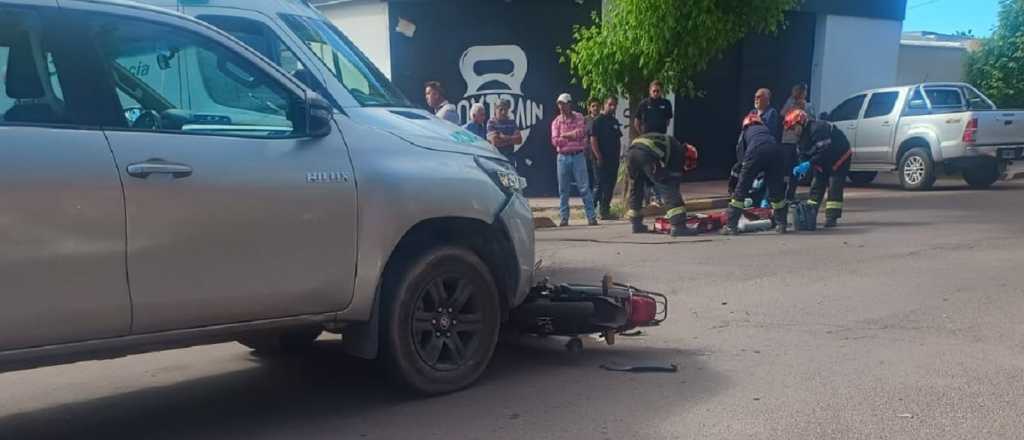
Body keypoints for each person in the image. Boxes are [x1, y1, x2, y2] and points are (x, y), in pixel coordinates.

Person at [722, 113, 789, 236]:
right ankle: (781, 224)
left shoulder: (746, 132)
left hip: (755, 152)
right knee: (776, 190)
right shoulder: (766, 131)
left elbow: (741, 155)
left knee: (741, 190)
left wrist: (745, 171)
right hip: (776, 152)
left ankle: (731, 226)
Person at [786, 109, 853, 228]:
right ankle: (810, 214)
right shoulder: (801, 137)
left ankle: (832, 218)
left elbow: (824, 151)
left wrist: (809, 163)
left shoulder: (818, 128)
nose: (793, 131)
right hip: (821, 161)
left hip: (839, 158)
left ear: (801, 122)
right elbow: (803, 153)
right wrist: (802, 166)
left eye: (793, 127)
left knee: (834, 185)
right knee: (816, 186)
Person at [626, 132, 700, 237]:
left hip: (631, 154)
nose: (686, 166)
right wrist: (675, 199)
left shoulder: (671, 144)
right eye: (688, 162)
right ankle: (678, 226)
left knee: (636, 187)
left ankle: (636, 225)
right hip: (645, 154)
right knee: (667, 186)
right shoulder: (678, 151)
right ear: (687, 155)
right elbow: (673, 181)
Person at [551, 93, 597, 227]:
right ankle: (564, 218)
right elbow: (555, 141)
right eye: (559, 104)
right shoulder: (556, 122)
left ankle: (591, 217)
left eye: (563, 103)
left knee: (584, 188)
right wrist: (572, 137)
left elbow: (581, 133)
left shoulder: (579, 117)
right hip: (563, 157)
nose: (561, 106)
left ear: (569, 104)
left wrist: (565, 135)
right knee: (563, 189)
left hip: (578, 156)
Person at [728, 88, 781, 195]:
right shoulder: (752, 112)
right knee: (738, 169)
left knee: (759, 175)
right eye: (755, 97)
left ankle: (755, 198)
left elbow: (767, 131)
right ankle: (735, 193)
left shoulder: (772, 113)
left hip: (763, 151)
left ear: (767, 99)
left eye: (759, 97)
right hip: (748, 150)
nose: (756, 99)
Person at [590, 96, 623, 219]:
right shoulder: (598, 121)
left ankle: (605, 211)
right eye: (610, 104)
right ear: (604, 105)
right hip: (600, 159)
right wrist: (599, 156)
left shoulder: (614, 121)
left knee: (610, 185)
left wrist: (618, 156)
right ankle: (590, 211)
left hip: (613, 160)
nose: (612, 107)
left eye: (614, 105)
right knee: (599, 185)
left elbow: (618, 140)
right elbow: (593, 140)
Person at [585, 98, 602, 202]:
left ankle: (595, 205)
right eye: (593, 106)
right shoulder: (584, 120)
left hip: (598, 154)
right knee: (588, 182)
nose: (595, 108)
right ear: (589, 108)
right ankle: (588, 205)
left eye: (597, 106)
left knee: (598, 181)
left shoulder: (602, 119)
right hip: (586, 154)